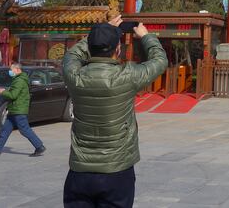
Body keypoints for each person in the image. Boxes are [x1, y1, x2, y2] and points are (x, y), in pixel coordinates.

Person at [62, 16, 168, 207]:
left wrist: (100, 32)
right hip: (117, 170)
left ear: (90, 48)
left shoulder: (74, 76)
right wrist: (146, 36)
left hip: (79, 170)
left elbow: (71, 56)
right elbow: (160, 60)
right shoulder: (127, 76)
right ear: (117, 50)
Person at [0, 63, 45, 157]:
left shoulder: (19, 81)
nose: (10, 71)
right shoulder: (17, 79)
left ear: (17, 70)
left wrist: (3, 92)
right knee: (5, 130)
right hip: (14, 109)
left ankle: (39, 146)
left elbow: (13, 95)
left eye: (11, 69)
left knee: (25, 130)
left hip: (18, 110)